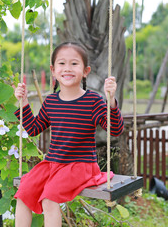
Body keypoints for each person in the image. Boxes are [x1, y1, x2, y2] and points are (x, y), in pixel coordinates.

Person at [13, 41, 124, 227]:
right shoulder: (51, 102)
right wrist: (23, 103)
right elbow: (33, 128)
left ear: (85, 71)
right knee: (23, 193)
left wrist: (111, 101)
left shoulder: (93, 101)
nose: (67, 69)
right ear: (53, 70)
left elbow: (116, 130)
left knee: (49, 199)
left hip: (81, 165)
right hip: (52, 163)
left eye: (74, 64)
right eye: (62, 64)